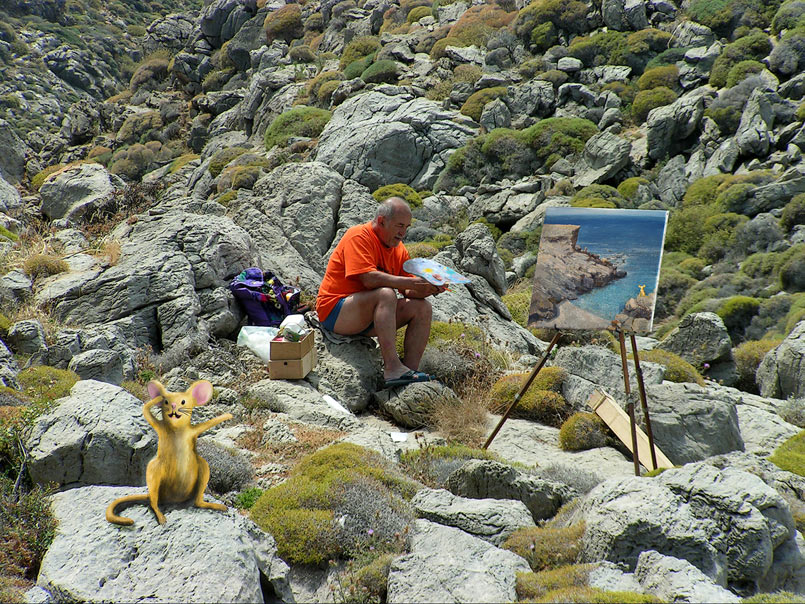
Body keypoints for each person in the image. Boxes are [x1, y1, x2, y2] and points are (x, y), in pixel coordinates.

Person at [316, 197, 446, 388]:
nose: (403, 233)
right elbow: (368, 279)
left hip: (367, 318)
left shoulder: (398, 249)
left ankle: (408, 372)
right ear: (381, 220)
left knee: (422, 307)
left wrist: (428, 288)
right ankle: (392, 368)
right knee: (386, 293)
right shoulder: (358, 236)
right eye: (399, 225)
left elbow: (408, 290)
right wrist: (411, 281)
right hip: (335, 312)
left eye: (407, 227)